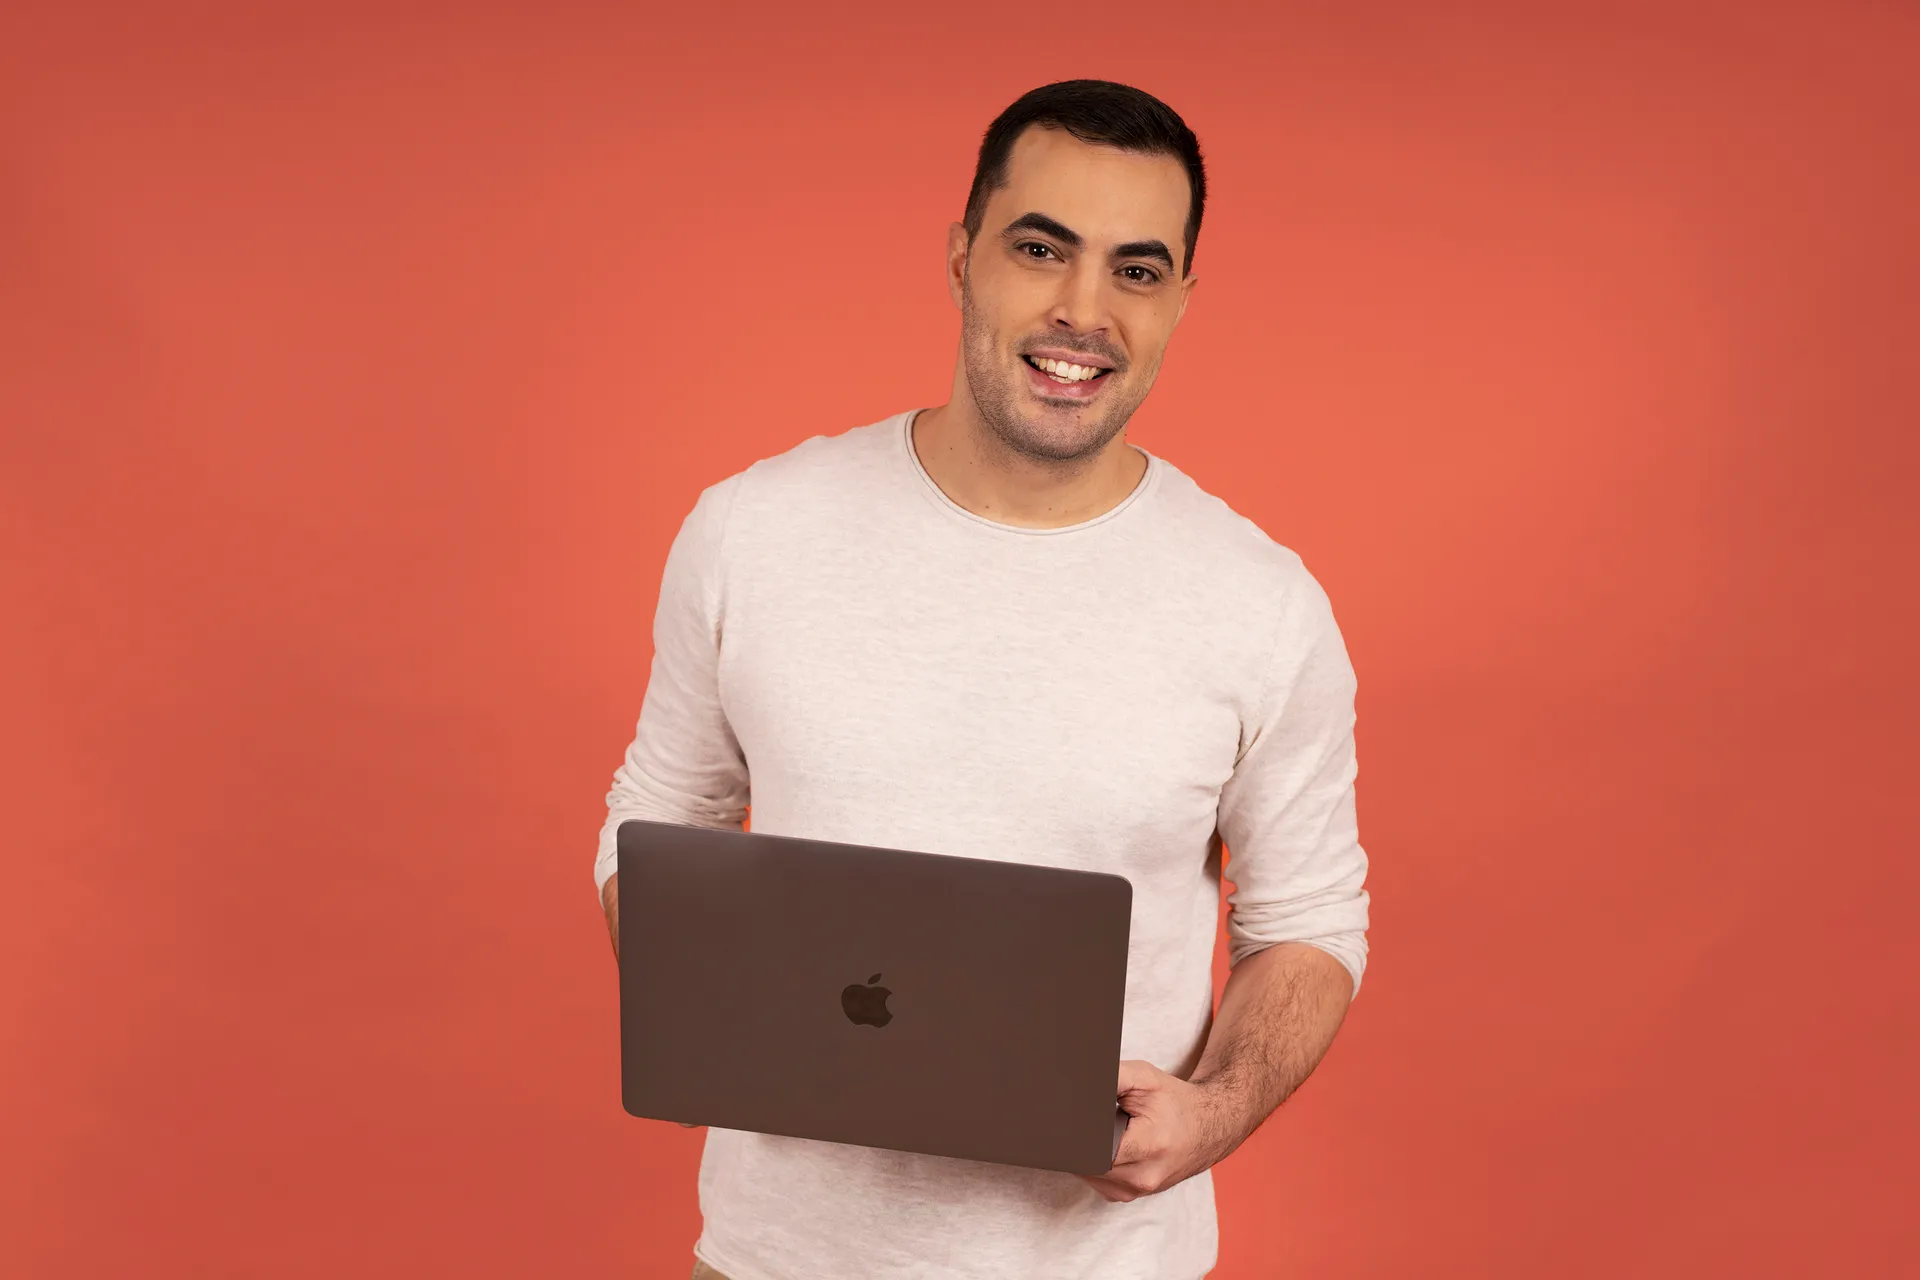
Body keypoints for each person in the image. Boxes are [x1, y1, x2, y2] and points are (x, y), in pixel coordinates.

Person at [594, 78, 1370, 1280]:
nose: (1082, 309)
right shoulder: (753, 532)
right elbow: (656, 813)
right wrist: (707, 1011)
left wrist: (1212, 1111)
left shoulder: (1263, 606)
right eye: (1040, 247)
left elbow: (1309, 923)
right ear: (962, 256)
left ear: (1179, 302)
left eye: (1137, 269)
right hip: (771, 1258)